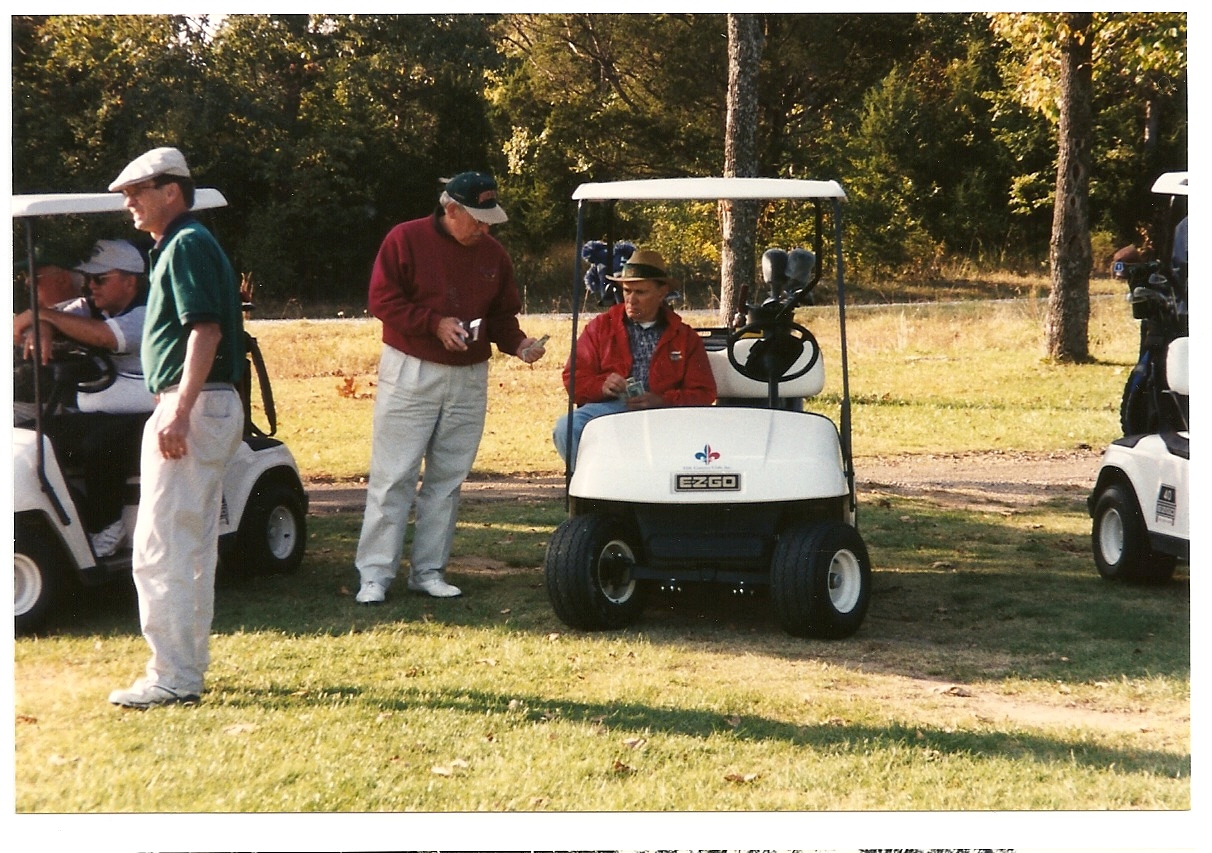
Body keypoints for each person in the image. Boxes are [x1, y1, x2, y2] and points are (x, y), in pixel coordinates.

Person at [353, 170, 546, 605]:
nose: (485, 228)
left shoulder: (493, 255)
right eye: (477, 219)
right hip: (410, 369)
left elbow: (501, 316)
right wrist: (433, 323)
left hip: (469, 375)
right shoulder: (405, 239)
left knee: (448, 478)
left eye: (489, 220)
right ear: (451, 209)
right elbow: (382, 300)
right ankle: (375, 574)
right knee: (394, 474)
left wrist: (519, 345)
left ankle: (428, 571)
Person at [105, 147, 246, 710]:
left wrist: (179, 411)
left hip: (192, 402)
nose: (130, 203)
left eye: (139, 191)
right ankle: (183, 668)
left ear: (172, 191)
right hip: (203, 402)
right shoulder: (179, 245)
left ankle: (173, 676)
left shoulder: (185, 245)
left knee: (161, 545)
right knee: (187, 545)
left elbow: (204, 332)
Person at [14, 239, 156, 557]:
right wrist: (44, 327)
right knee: (37, 437)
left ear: (130, 281)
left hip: (148, 409)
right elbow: (36, 319)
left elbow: (104, 336)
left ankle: (107, 528)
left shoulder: (146, 313)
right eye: (89, 279)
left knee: (100, 445)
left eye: (100, 279)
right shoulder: (92, 307)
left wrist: (45, 320)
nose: (91, 286)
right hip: (107, 406)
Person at [553, 248, 717, 464]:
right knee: (567, 427)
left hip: (667, 413)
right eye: (627, 291)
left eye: (640, 292)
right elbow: (574, 378)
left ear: (662, 293)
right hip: (612, 407)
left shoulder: (684, 336)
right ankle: (588, 489)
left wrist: (662, 400)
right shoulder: (601, 327)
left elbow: (704, 393)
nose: (631, 299)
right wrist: (601, 385)